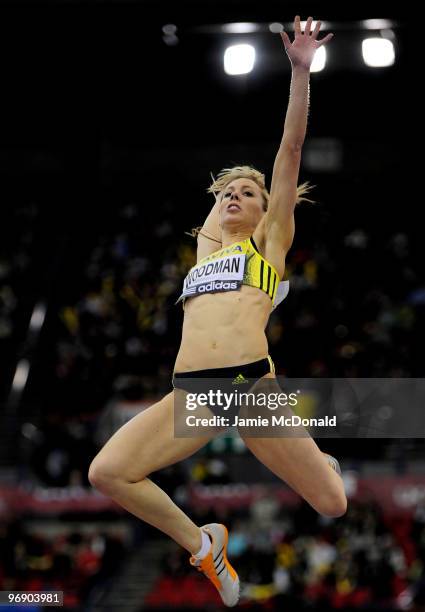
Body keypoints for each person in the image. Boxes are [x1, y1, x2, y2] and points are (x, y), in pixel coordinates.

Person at [88, 16, 347, 608]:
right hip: (191, 394)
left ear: (268, 212)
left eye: (247, 195)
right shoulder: (206, 249)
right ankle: (204, 543)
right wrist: (229, 185)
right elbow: (218, 199)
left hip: (248, 386)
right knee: (107, 472)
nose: (234, 197)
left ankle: (321, 457)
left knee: (333, 503)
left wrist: (300, 72)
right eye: (228, 192)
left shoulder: (268, 243)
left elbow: (289, 150)